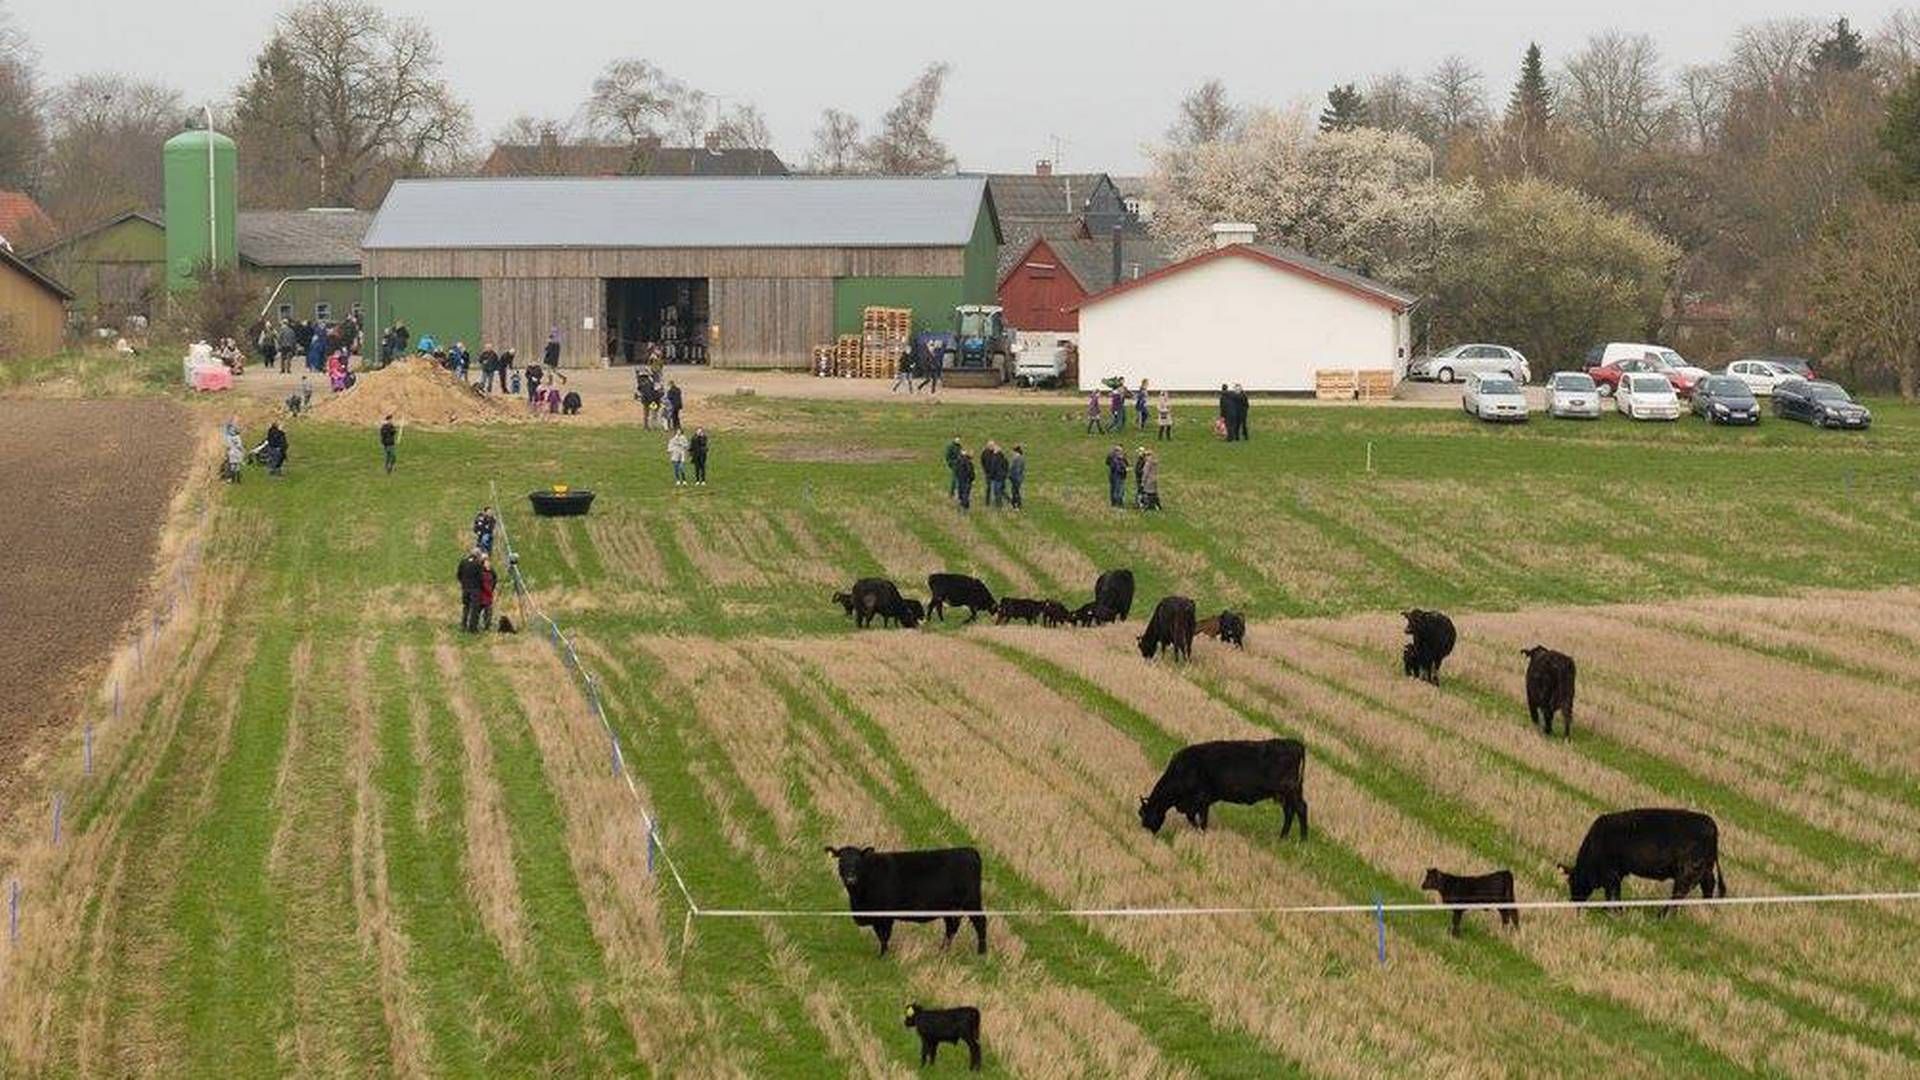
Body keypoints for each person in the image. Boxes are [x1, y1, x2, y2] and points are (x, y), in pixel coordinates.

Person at [456, 548, 485, 633]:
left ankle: (463, 626)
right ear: (478, 556)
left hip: (465, 588)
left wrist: (463, 583)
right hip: (475, 589)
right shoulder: (478, 564)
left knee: (466, 607)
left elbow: (459, 574)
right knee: (474, 609)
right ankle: (472, 628)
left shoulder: (463, 562)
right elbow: (481, 578)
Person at [981, 440, 1006, 507]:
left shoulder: (998, 454)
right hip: (989, 473)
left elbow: (1004, 464)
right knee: (989, 488)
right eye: (990, 446)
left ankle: (999, 503)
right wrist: (986, 471)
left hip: (997, 475)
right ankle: (988, 502)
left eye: (992, 445)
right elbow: (983, 462)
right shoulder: (985, 453)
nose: (991, 447)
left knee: (998, 489)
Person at [477, 555, 497, 631]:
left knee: (488, 611)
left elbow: (495, 579)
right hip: (481, 594)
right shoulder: (479, 570)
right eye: (486, 562)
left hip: (488, 594)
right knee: (478, 610)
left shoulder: (492, 571)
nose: (488, 563)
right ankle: (477, 625)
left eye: (488, 562)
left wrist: (492, 588)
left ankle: (487, 626)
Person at [221, 417, 244, 482]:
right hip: (237, 452)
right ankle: (238, 479)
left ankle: (233, 479)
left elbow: (227, 445)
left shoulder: (228, 437)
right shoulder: (237, 437)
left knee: (232, 466)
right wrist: (243, 451)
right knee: (237, 466)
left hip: (231, 452)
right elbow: (239, 445)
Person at [1008, 444, 1026, 509]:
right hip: (1016, 478)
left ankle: (1017, 505)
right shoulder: (1019, 458)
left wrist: (1013, 477)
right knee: (1015, 491)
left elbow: (1017, 469)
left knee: (1015, 491)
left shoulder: (1017, 458)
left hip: (1016, 478)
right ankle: (1015, 504)